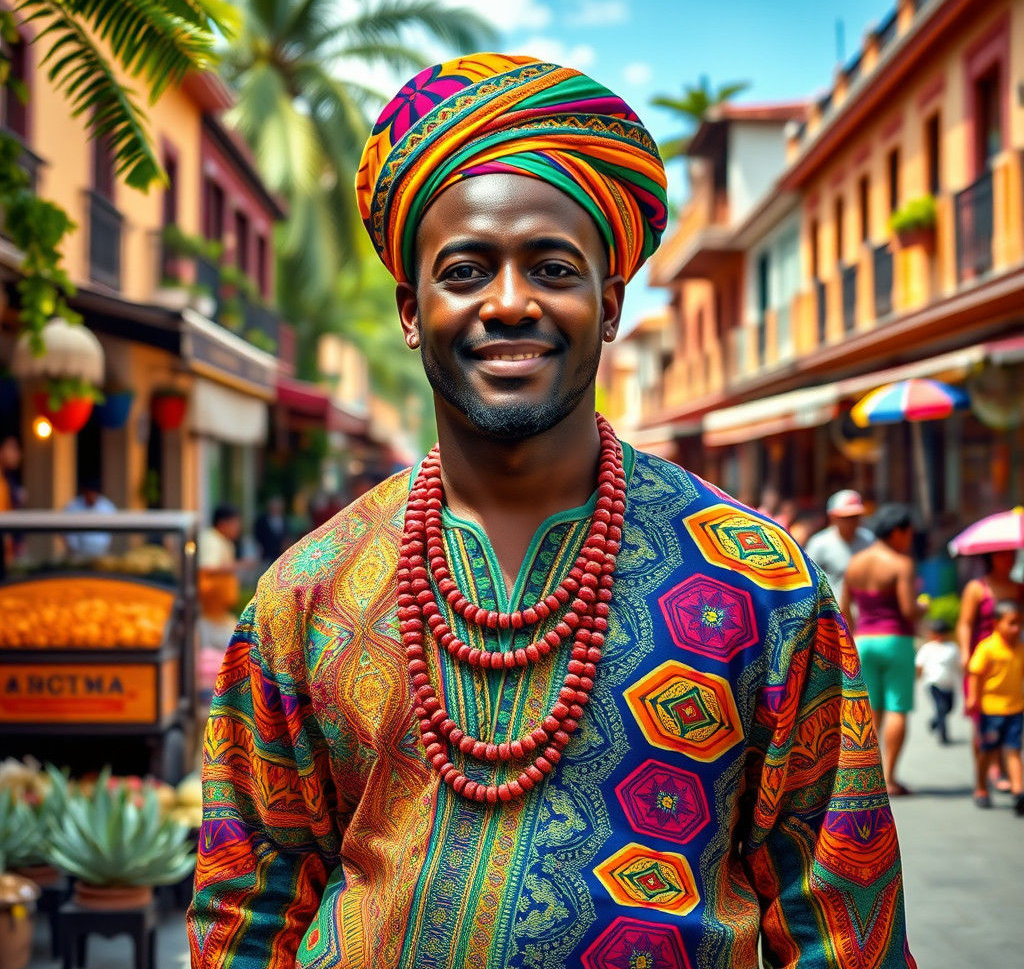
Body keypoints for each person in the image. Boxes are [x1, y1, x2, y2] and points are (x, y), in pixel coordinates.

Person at [188, 53, 914, 968]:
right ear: (412, 310)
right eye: (464, 270)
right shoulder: (304, 596)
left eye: (553, 267)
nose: (509, 302)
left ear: (608, 305)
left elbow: (841, 923)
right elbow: (245, 913)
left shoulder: (763, 585)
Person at [841, 503, 924, 797]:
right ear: (897, 531)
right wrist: (923, 607)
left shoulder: (856, 563)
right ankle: (889, 778)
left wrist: (852, 637)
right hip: (895, 641)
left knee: (871, 711)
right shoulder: (901, 564)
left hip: (864, 641)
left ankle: (870, 778)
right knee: (897, 708)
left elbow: (844, 607)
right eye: (908, 533)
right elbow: (908, 609)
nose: (910, 539)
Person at [956, 550, 1024, 797]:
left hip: (1010, 658)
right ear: (992, 557)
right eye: (1003, 555)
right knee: (982, 721)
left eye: (1012, 555)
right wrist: (964, 652)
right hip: (981, 660)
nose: (1009, 559)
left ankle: (1003, 770)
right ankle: (984, 777)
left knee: (1009, 716)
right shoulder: (977, 587)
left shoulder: (1018, 587)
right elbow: (965, 622)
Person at [966, 599, 1024, 814]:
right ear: (997, 623)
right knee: (987, 751)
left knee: (1014, 750)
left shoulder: (1020, 648)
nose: (1017, 628)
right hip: (991, 710)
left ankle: (1019, 792)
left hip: (1015, 709)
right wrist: (973, 698)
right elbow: (976, 673)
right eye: (1012, 623)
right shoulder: (988, 648)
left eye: (1020, 623)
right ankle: (981, 787)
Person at [805, 488, 875, 598]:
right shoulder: (819, 543)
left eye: (855, 516)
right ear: (833, 517)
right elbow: (808, 579)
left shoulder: (868, 539)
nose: (853, 521)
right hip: (833, 612)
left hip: (862, 612)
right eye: (847, 517)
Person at [915, 617, 960, 744]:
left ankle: (935, 721)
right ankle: (943, 735)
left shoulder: (952, 647)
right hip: (933, 683)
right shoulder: (927, 648)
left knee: (949, 708)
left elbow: (958, 665)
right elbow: (919, 664)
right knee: (941, 708)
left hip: (949, 684)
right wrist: (919, 678)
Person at [63, 478, 117, 557]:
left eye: (93, 493)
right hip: (78, 554)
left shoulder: (106, 506)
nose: (91, 496)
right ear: (84, 493)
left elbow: (113, 527)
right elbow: (65, 530)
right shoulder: (73, 506)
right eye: (88, 493)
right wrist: (73, 547)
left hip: (101, 553)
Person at [253, 496, 291, 563]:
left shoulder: (285, 519)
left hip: (280, 553)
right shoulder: (262, 520)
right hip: (266, 552)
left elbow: (287, 534)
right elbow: (257, 534)